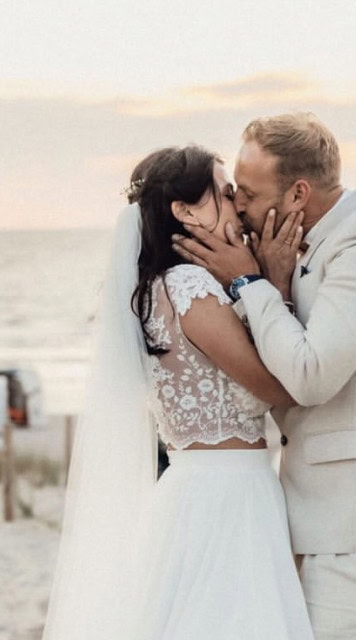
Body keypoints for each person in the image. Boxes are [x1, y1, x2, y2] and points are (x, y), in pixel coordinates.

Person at [171, 112, 356, 640]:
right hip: (328, 519)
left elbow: (310, 377)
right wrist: (275, 283)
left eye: (248, 191)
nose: (238, 204)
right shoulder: (299, 249)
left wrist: (246, 280)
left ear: (297, 194)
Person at [41, 145, 314, 640]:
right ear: (186, 211)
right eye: (225, 194)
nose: (236, 205)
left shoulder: (157, 288)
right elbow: (280, 386)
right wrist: (270, 282)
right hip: (226, 499)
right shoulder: (189, 286)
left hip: (204, 489)